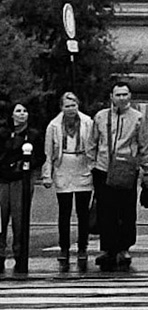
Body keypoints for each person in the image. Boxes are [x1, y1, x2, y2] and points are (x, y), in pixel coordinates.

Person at [88, 81, 148, 271]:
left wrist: (146, 169)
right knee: (106, 212)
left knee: (126, 211)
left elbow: (145, 146)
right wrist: (92, 165)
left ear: (130, 96)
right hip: (103, 168)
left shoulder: (138, 118)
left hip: (126, 169)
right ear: (111, 97)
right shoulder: (101, 116)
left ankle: (124, 247)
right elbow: (92, 142)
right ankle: (108, 248)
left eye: (125, 94)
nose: (121, 98)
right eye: (118, 95)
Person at [42, 92, 95, 266]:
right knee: (64, 212)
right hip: (63, 166)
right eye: (67, 106)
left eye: (73, 105)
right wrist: (47, 174)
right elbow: (48, 153)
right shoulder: (54, 125)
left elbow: (94, 146)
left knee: (83, 212)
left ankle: (82, 247)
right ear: (61, 107)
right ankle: (64, 247)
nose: (71, 109)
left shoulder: (88, 122)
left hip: (82, 166)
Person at [2, 102, 45, 264]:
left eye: (25, 111)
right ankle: (0, 251)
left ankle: (20, 253)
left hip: (22, 180)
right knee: (1, 218)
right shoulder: (3, 133)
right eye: (18, 111)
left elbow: (40, 157)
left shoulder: (33, 135)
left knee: (20, 218)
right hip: (2, 180)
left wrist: (24, 165)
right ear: (12, 114)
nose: (22, 114)